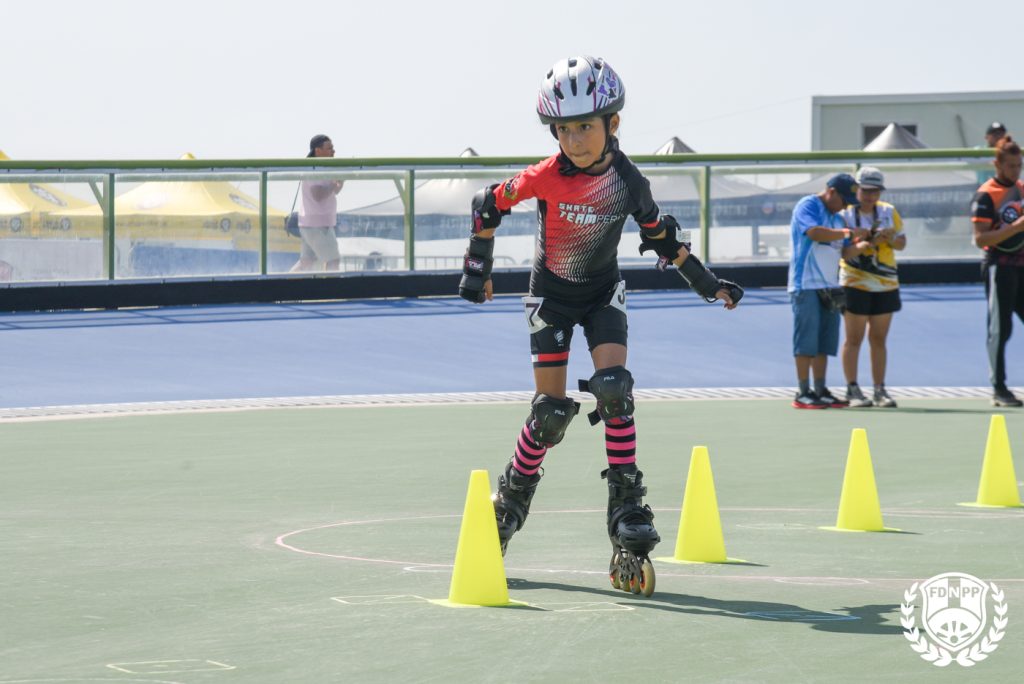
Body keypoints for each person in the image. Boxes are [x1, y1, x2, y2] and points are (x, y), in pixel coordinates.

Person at [456, 56, 742, 596]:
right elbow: (487, 204)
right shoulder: (545, 174)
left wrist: (707, 283)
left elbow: (661, 237)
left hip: (602, 294)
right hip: (551, 299)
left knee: (614, 389)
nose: (574, 140)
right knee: (549, 413)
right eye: (563, 129)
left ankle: (627, 506)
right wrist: (479, 265)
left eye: (584, 126)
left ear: (613, 123)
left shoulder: (628, 181)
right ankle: (508, 504)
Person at [787, 173, 871, 409]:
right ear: (831, 192)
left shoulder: (838, 218)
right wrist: (848, 233)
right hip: (805, 285)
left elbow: (844, 252)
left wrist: (865, 244)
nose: (845, 206)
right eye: (843, 200)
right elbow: (814, 232)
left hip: (830, 288)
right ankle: (803, 392)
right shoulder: (808, 205)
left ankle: (820, 390)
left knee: (824, 342)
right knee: (806, 341)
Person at [839, 167, 906, 408]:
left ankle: (880, 390)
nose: (870, 196)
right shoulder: (845, 214)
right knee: (853, 338)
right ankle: (852, 389)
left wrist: (889, 238)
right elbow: (844, 253)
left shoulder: (888, 211)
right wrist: (866, 242)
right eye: (866, 190)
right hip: (854, 281)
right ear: (857, 190)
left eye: (875, 191)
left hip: (885, 284)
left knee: (878, 338)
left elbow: (902, 244)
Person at [971, 136, 1024, 407]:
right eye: (1011, 166)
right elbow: (980, 239)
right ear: (998, 164)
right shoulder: (986, 194)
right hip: (999, 267)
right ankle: (999, 387)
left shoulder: (1022, 189)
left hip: (1022, 265)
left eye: (1019, 165)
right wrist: (1016, 227)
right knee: (1000, 328)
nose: (1016, 171)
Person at [290, 134, 343, 272]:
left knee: (306, 262)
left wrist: (341, 179)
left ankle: (283, 283)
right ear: (318, 151)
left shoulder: (321, 168)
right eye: (329, 148)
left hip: (310, 223)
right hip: (319, 225)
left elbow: (334, 190)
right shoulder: (314, 169)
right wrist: (334, 183)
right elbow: (318, 195)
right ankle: (333, 286)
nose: (333, 151)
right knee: (333, 261)